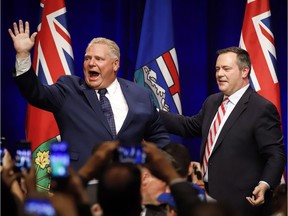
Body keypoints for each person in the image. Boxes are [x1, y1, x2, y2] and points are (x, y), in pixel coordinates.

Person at [8, 20, 170, 170]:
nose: (91, 63)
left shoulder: (140, 94)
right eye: (87, 58)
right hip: (81, 185)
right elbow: (36, 93)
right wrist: (23, 55)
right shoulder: (69, 90)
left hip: (126, 185)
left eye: (98, 59)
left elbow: (159, 138)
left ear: (115, 64)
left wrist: (148, 167)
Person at [159, 47, 286, 216]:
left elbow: (275, 155)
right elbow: (188, 126)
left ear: (244, 71)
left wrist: (264, 184)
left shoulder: (261, 108)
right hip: (209, 197)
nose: (219, 74)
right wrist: (151, 112)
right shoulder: (212, 102)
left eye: (226, 69)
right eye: (217, 69)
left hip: (242, 203)